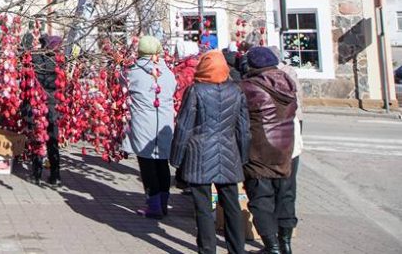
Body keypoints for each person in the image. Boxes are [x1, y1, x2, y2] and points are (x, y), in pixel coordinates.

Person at [171, 49, 250, 254]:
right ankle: (237, 249)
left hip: (200, 155)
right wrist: (242, 157)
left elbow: (184, 126)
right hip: (228, 152)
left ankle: (207, 250)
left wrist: (176, 158)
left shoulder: (196, 91)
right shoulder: (236, 91)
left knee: (203, 208)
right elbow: (243, 129)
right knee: (232, 205)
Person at [241, 46, 298, 254]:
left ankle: (271, 246)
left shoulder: (248, 86)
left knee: (261, 198)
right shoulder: (288, 83)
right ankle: (286, 243)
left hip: (260, 148)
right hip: (286, 146)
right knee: (285, 195)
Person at [123, 35, 177, 219]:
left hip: (143, 123)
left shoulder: (132, 72)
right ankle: (163, 202)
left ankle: (153, 204)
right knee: (162, 163)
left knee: (147, 164)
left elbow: (122, 85)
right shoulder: (168, 72)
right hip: (164, 123)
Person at [267, 45, 303, 254]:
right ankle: (285, 242)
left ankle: (274, 244)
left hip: (270, 146)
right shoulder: (289, 76)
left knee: (269, 191)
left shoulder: (262, 82)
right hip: (291, 142)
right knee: (287, 191)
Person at [30, 34, 62, 186]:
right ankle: (55, 175)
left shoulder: (35, 57)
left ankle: (36, 174)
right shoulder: (57, 60)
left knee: (37, 138)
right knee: (52, 139)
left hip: (37, 101)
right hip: (52, 102)